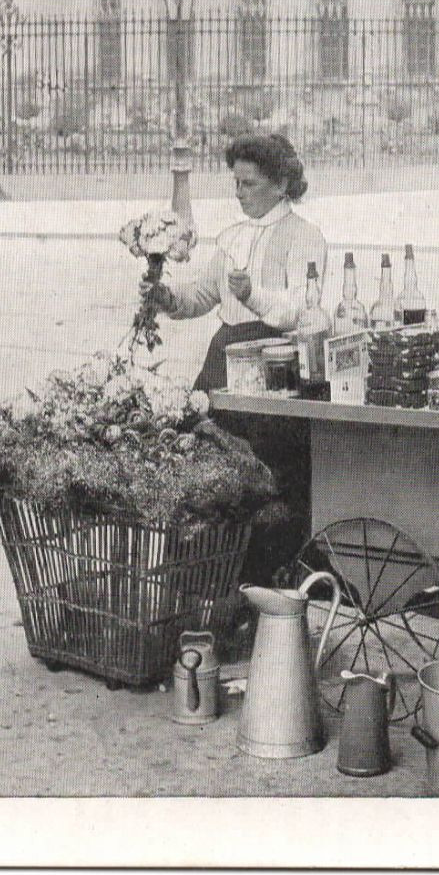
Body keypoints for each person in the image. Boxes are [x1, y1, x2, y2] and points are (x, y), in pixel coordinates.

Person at [149, 133, 327, 584]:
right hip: (221, 360)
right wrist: (166, 297)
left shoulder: (306, 238)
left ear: (281, 184)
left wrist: (254, 296)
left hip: (275, 367)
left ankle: (256, 584)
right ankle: (200, 579)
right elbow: (203, 295)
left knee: (260, 479)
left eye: (248, 184)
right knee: (201, 465)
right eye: (236, 183)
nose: (239, 192)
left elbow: (302, 312)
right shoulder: (232, 237)